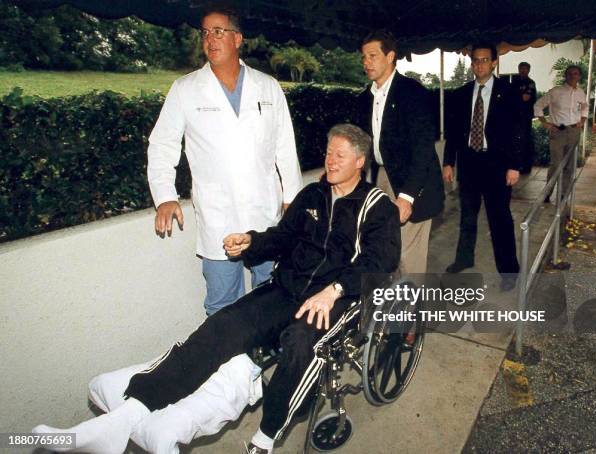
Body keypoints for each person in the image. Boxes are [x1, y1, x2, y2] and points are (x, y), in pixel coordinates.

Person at [34, 124, 400, 454]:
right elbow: (283, 237)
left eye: (339, 155)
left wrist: (335, 289)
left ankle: (267, 435)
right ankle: (124, 417)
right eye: (327, 151)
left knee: (301, 343)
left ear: (360, 162)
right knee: (222, 325)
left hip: (333, 299)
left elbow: (378, 262)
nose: (329, 160)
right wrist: (251, 243)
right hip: (286, 289)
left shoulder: (376, 207)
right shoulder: (311, 196)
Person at [147, 7, 302, 315]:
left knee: (273, 292)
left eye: (219, 31)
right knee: (222, 305)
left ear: (238, 39)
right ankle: (231, 363)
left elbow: (285, 147)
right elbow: (163, 144)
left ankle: (265, 355)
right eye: (205, 33)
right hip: (219, 214)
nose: (210, 39)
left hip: (264, 213)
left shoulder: (268, 86)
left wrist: (291, 200)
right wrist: (165, 196)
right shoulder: (185, 89)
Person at [357, 30, 444, 276]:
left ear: (391, 56)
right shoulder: (365, 98)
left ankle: (414, 312)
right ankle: (396, 309)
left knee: (408, 258)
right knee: (386, 250)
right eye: (364, 57)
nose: (366, 62)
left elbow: (423, 150)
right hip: (381, 179)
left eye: (373, 55)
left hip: (412, 183)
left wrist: (407, 197)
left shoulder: (412, 93)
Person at [443, 43, 521, 291]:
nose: (480, 64)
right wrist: (448, 162)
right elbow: (454, 133)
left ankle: (509, 272)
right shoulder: (462, 93)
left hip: (497, 166)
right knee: (467, 217)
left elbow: (519, 132)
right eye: (476, 60)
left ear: (494, 62)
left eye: (485, 60)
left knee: (500, 219)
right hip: (469, 164)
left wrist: (514, 166)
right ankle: (464, 259)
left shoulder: (508, 92)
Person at [534, 65, 588, 202]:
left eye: (575, 73)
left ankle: (564, 194)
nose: (572, 76)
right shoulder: (556, 91)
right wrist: (545, 123)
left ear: (579, 76)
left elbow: (585, 107)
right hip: (558, 132)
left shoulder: (581, 93)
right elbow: (538, 105)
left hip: (574, 131)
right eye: (570, 73)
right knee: (556, 164)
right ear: (566, 75)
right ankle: (547, 193)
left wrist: (582, 121)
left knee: (570, 166)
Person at [511, 62, 537, 174]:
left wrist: (518, 97)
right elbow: (510, 98)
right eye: (521, 68)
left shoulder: (531, 83)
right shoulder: (514, 82)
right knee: (514, 141)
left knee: (525, 140)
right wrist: (518, 96)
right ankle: (516, 165)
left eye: (525, 69)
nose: (523, 71)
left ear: (529, 70)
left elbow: (528, 97)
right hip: (514, 116)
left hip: (525, 116)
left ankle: (526, 166)